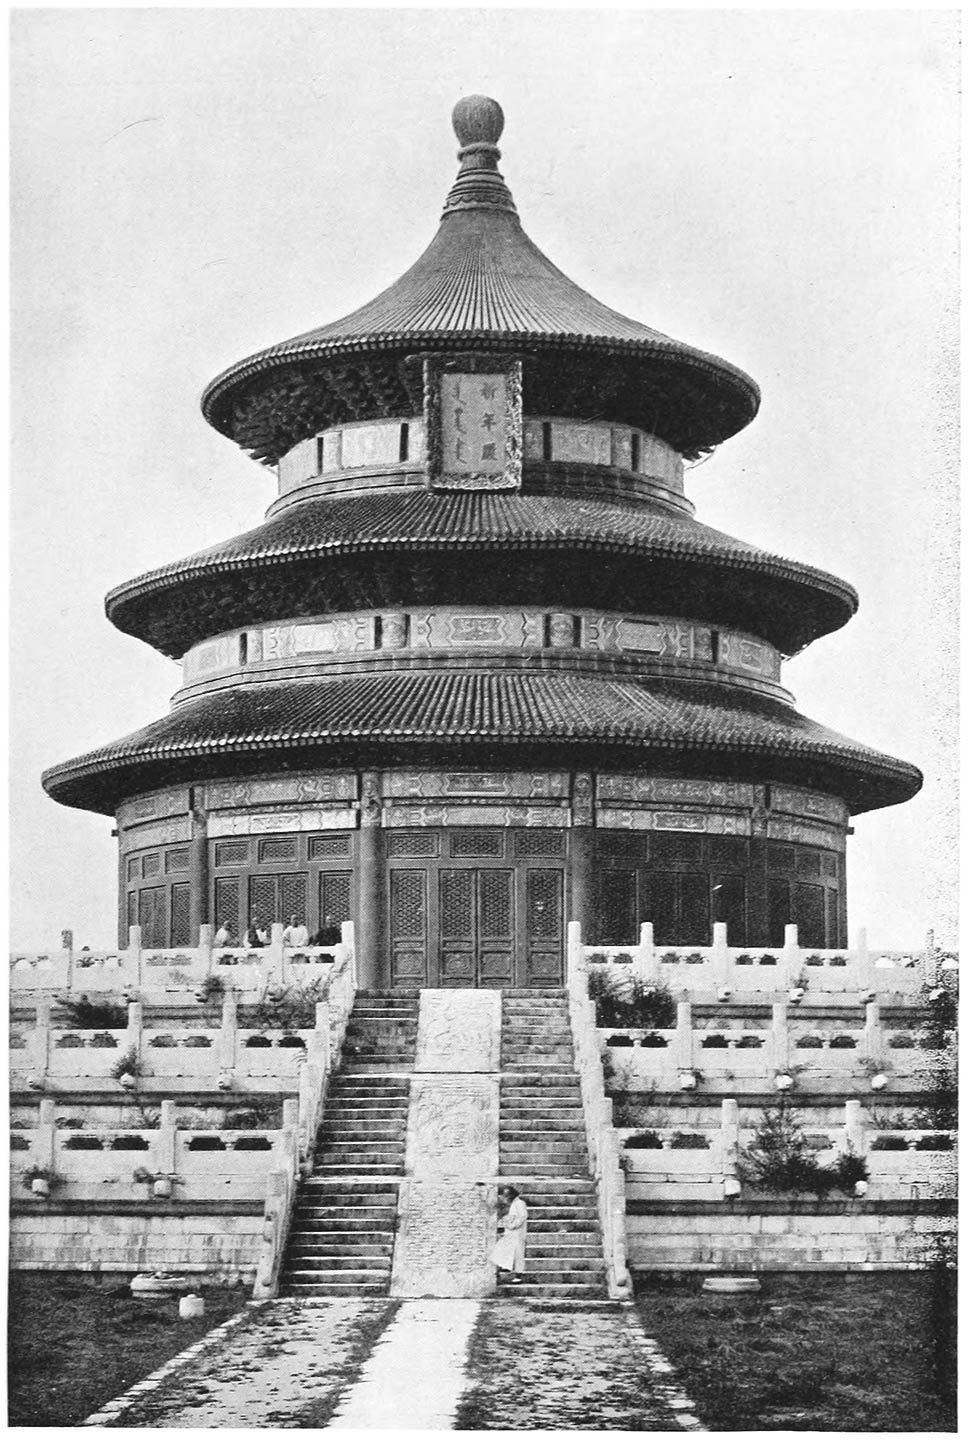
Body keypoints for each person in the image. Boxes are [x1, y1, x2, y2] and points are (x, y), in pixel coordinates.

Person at [492, 1185, 528, 1285]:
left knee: (518, 1254)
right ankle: (503, 1270)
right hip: (511, 1234)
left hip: (517, 1233)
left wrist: (512, 1225)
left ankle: (518, 1275)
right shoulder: (514, 1204)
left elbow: (522, 1217)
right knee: (502, 1250)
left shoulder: (520, 1203)